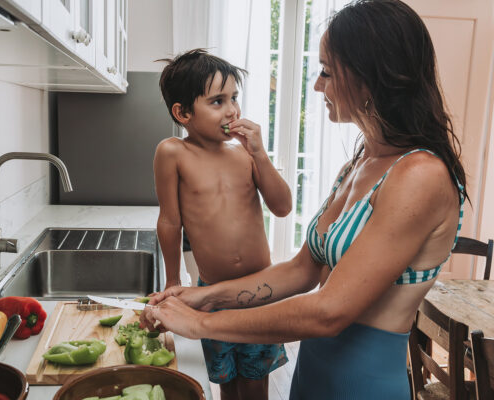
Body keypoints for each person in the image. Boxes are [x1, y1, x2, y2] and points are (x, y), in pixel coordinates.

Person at [141, 1, 468, 399]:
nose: (317, 86)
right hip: (312, 378)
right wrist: (202, 295)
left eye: (327, 72)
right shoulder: (361, 163)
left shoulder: (421, 175)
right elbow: (302, 269)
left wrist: (202, 323)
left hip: (361, 388)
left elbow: (330, 311)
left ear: (370, 78)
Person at [153, 48, 293, 400]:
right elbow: (170, 222)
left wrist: (260, 153)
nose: (232, 110)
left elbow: (283, 207)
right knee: (226, 381)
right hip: (211, 292)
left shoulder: (245, 153)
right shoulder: (173, 153)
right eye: (217, 101)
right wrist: (173, 280)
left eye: (234, 98)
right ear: (182, 112)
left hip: (260, 292)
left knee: (256, 381)